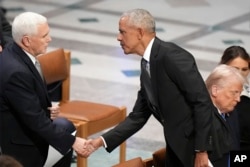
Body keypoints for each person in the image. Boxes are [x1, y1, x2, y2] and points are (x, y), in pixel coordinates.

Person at [83, 8, 216, 167]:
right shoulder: (147, 64)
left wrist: (202, 150)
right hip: (178, 147)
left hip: (204, 150)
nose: (118, 37)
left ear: (139, 32)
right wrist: (101, 141)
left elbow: (202, 102)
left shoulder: (173, 57)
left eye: (122, 32)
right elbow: (138, 116)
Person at [0, 12, 88, 167]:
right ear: (26, 40)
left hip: (23, 124)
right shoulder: (17, 72)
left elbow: (23, 104)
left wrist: (46, 111)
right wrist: (73, 142)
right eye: (44, 36)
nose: (50, 39)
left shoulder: (14, 51)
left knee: (66, 126)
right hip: (21, 145)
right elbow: (35, 120)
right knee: (66, 138)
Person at [205, 64, 245, 166]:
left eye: (239, 94)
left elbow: (234, 154)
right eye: (234, 93)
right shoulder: (202, 118)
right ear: (215, 90)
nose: (238, 99)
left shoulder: (231, 114)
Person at [219, 45, 250, 150]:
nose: (240, 74)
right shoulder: (212, 94)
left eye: (244, 69)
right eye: (235, 69)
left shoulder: (247, 96)